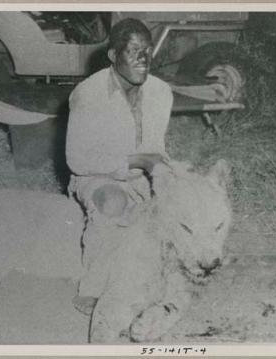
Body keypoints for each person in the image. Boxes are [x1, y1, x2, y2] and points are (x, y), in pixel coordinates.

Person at [65, 18, 173, 314]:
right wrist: (133, 162)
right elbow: (76, 159)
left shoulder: (161, 92)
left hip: (141, 177)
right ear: (113, 56)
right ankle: (92, 287)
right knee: (113, 202)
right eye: (134, 50)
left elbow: (156, 148)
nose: (144, 59)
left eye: (148, 50)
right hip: (95, 177)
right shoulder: (88, 94)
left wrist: (163, 176)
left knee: (176, 205)